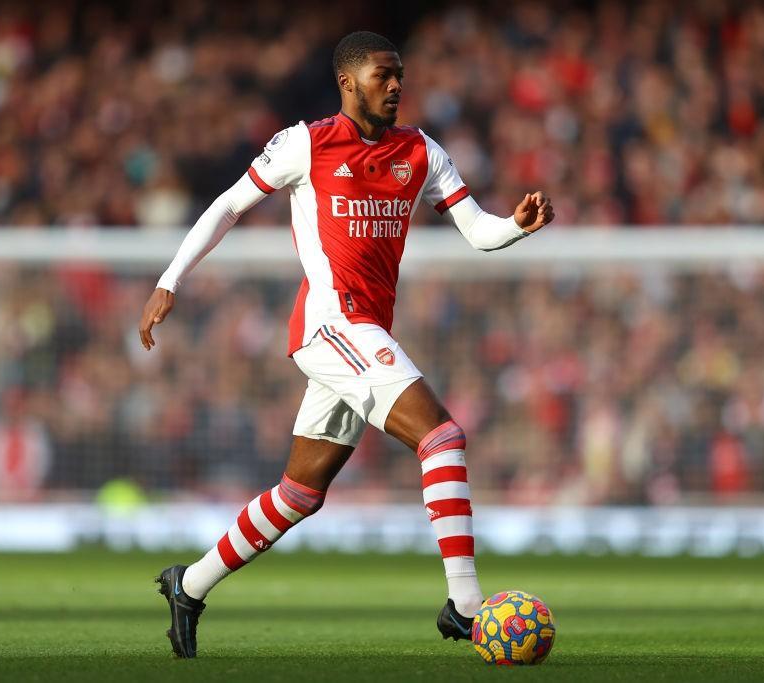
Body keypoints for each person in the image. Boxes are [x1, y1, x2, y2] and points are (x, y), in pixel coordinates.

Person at [140, 31, 554, 659]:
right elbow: (227, 205)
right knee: (441, 437)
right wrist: (170, 280)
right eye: (384, 75)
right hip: (332, 326)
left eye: (401, 76)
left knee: (301, 492)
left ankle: (189, 584)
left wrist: (516, 227)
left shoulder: (420, 151)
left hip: (366, 333)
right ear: (348, 81)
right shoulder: (307, 143)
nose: (396, 87)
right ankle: (465, 605)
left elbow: (480, 233)